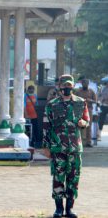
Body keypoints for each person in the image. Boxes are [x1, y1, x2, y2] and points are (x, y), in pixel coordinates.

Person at [43, 74, 89, 218]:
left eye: (69, 86)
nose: (67, 88)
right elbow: (46, 126)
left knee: (73, 178)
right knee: (58, 178)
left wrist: (84, 123)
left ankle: (69, 209)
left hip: (75, 148)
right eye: (64, 86)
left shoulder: (81, 102)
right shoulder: (52, 104)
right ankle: (58, 209)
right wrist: (46, 146)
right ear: (59, 86)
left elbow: (86, 119)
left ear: (73, 86)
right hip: (58, 148)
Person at [74, 78, 97, 147]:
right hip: (79, 110)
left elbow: (95, 101)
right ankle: (79, 142)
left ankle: (88, 142)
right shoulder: (78, 91)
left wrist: (90, 100)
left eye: (86, 83)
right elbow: (73, 99)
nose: (85, 84)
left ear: (88, 84)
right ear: (82, 84)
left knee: (88, 126)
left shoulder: (91, 91)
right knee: (79, 125)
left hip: (89, 110)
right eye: (84, 83)